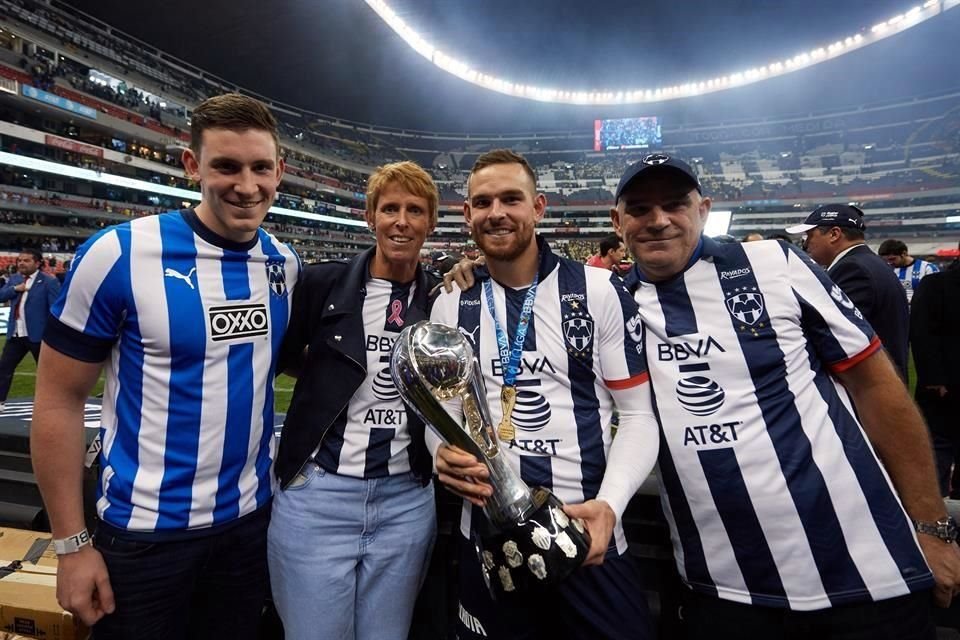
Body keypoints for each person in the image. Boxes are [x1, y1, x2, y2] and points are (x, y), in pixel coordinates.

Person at [611, 153, 960, 639]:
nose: (658, 220)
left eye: (675, 204)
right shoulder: (611, 304)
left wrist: (933, 526)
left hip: (866, 575)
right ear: (618, 222)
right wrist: (466, 279)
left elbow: (876, 387)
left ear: (704, 209)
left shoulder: (774, 264)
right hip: (722, 590)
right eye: (640, 209)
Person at [30, 93, 299, 639]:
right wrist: (70, 546)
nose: (247, 186)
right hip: (142, 538)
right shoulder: (118, 254)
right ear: (192, 165)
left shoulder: (283, 264)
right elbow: (58, 400)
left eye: (260, 168)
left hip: (250, 530)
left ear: (279, 171)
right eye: (226, 166)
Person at [432, 149, 659, 640]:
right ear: (466, 213)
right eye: (483, 201)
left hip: (587, 535)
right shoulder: (451, 302)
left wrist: (611, 507)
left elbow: (639, 417)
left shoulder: (598, 290)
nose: (497, 212)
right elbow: (444, 417)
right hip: (489, 543)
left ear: (538, 207)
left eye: (511, 198)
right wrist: (440, 454)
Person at [268, 161, 439, 640]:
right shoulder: (322, 285)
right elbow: (280, 358)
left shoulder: (445, 299)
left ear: (431, 222)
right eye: (390, 209)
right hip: (319, 495)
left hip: (406, 500)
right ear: (370, 217)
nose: (401, 221)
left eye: (414, 210)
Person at [785, 204, 910, 381]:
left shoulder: (852, 269)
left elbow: (837, 336)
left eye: (809, 236)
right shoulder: (868, 263)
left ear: (834, 234)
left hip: (870, 384)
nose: (805, 244)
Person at [910, 265, 960, 497]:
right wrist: (933, 378)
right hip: (944, 386)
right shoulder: (936, 284)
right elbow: (921, 333)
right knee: (938, 446)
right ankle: (933, 507)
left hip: (945, 382)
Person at [0, 249, 60, 412]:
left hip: (38, 335)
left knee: (47, 373)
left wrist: (52, 333)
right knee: (4, 369)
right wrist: (15, 289)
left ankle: (52, 404)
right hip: (16, 333)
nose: (21, 263)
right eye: (20, 260)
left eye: (26, 260)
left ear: (37, 263)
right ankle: (0, 401)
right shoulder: (15, 279)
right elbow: (1, 296)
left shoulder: (49, 282)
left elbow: (55, 309)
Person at [878, 238, 940, 303]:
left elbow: (936, 294)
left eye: (892, 259)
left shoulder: (928, 268)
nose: (889, 263)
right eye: (886, 260)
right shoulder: (887, 270)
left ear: (904, 253)